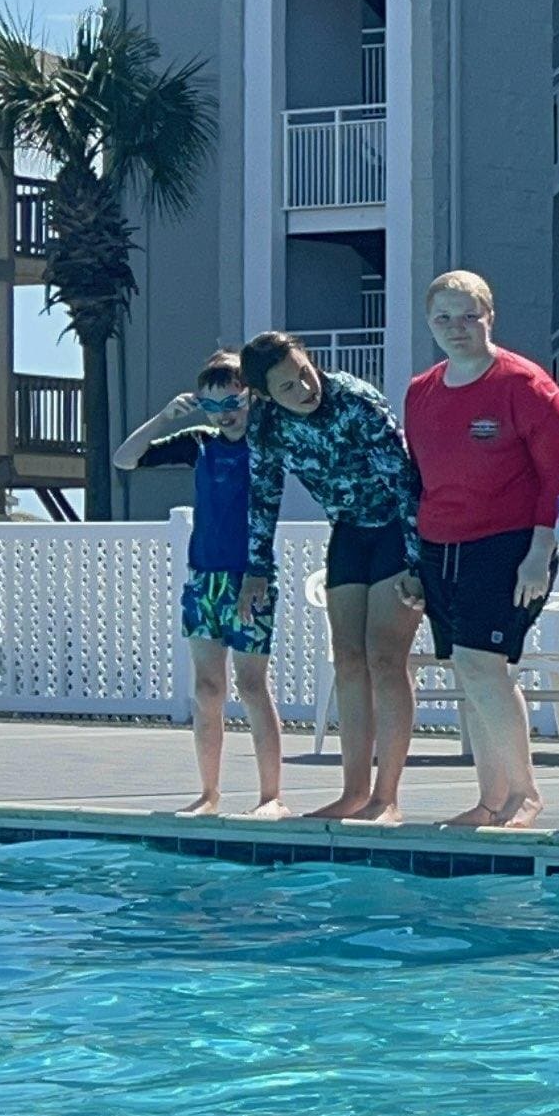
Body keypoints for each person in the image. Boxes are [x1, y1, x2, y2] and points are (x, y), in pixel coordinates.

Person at [404, 271, 559, 829]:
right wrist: (413, 561)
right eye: (444, 318)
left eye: (468, 316)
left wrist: (539, 553)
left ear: (490, 317)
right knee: (468, 669)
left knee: (483, 663)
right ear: (430, 324)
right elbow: (417, 479)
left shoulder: (525, 386)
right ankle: (490, 798)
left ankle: (524, 794)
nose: (456, 328)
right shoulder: (421, 390)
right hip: (440, 546)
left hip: (508, 544)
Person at [237, 331, 421, 824]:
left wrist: (417, 562)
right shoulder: (267, 426)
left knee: (386, 658)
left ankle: (387, 798)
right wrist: (257, 567)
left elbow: (405, 483)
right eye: (287, 386)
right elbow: (263, 495)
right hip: (348, 532)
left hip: (395, 530)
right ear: (265, 395)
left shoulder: (355, 401)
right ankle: (354, 793)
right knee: (349, 659)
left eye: (304, 372)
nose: (304, 388)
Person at [113, 351, 286, 818]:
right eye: (211, 406)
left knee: (252, 686)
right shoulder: (200, 444)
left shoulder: (269, 443)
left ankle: (271, 796)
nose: (223, 414)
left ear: (250, 397)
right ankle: (209, 793)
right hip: (204, 579)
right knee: (208, 689)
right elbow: (124, 459)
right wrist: (163, 418)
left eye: (231, 402)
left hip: (251, 579)